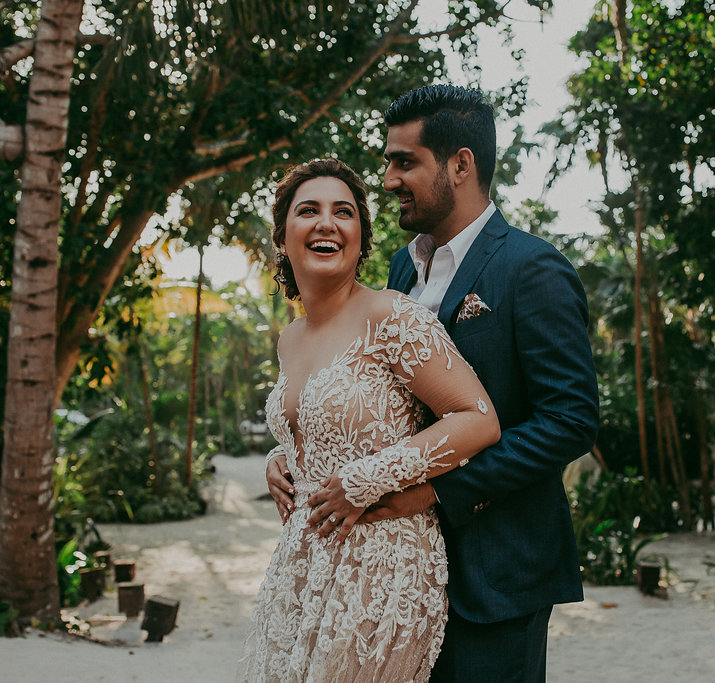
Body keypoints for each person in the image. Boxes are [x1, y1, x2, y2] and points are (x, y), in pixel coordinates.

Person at [277, 84, 600, 681]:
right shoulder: (402, 268)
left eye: (404, 162)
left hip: (497, 572)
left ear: (460, 164)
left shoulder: (532, 269)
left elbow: (570, 421)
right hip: (393, 576)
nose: (389, 179)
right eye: (387, 162)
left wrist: (435, 493)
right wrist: (292, 454)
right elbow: (375, 395)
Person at [245, 158, 501, 682]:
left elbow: (477, 419)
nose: (326, 223)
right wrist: (282, 459)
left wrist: (363, 480)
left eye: (343, 212)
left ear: (361, 239)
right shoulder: (289, 339)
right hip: (302, 561)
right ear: (283, 236)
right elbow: (325, 425)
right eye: (308, 211)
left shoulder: (393, 315)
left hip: (382, 561)